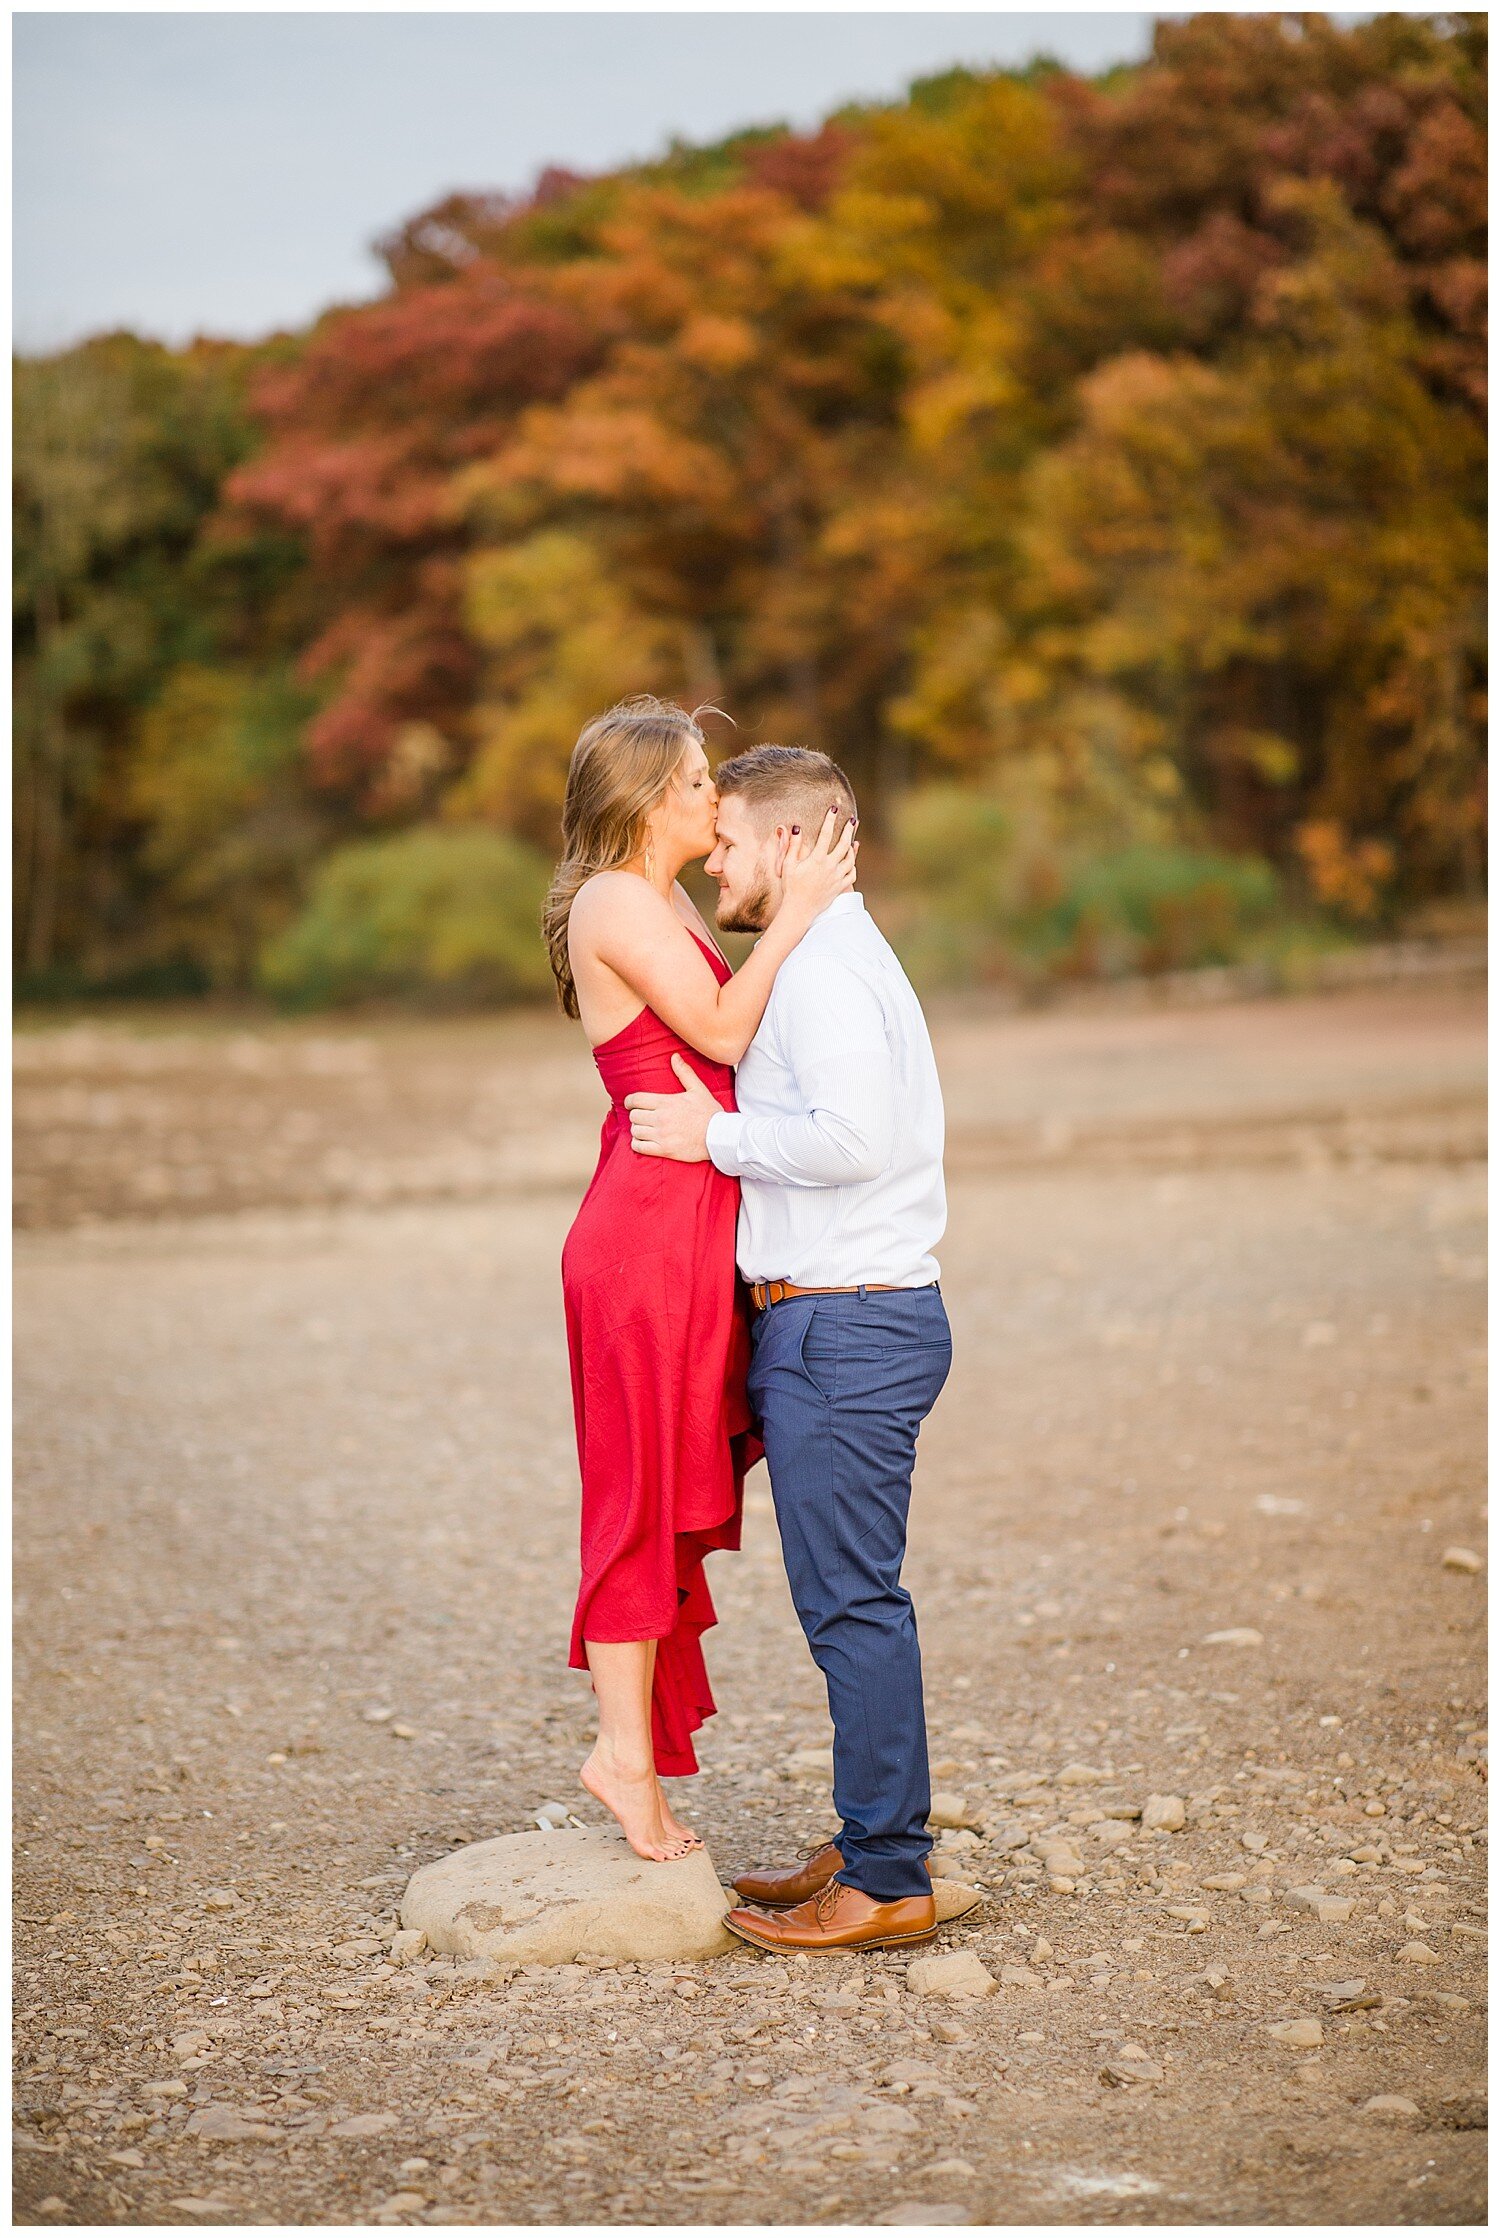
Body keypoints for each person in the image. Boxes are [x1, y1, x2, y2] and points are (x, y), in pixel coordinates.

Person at [626, 744, 951, 1949]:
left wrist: (717, 1136)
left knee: (853, 1607)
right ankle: (875, 1839)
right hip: (848, 1317)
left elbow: (852, 1138)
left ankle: (886, 1878)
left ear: (794, 843)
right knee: (855, 1601)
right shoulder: (832, 955)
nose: (715, 853)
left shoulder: (818, 970)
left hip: (846, 1322)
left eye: (731, 837)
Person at [545, 699, 857, 1863]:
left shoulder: (662, 897)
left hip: (684, 1229)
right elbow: (723, 1032)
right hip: (640, 1241)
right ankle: (623, 1762)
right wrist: (803, 913)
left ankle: (633, 1758)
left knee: (663, 1482)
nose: (709, 796)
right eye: (690, 781)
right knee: (634, 1500)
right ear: (639, 800)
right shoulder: (616, 900)